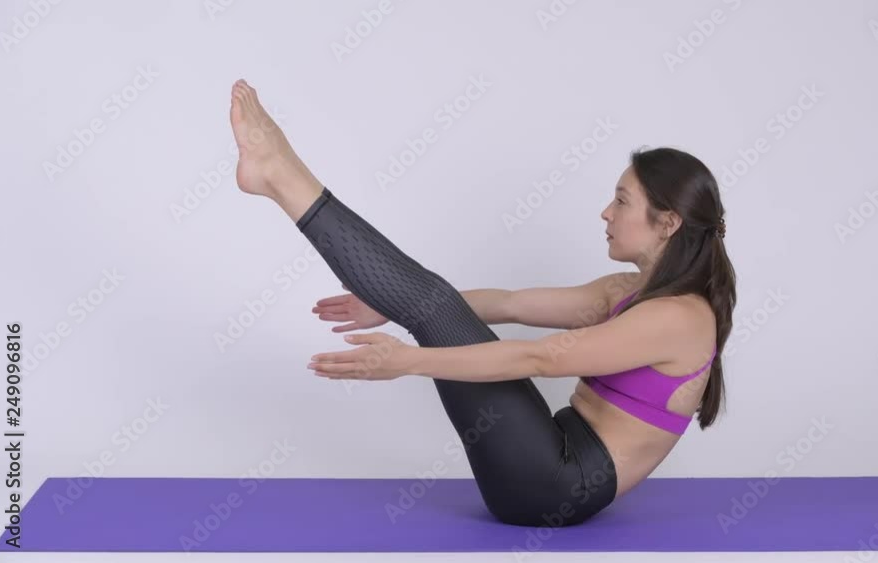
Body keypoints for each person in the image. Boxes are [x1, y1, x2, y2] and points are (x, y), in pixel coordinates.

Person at [228, 78, 736, 527]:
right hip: (548, 458)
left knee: (434, 301)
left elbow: (540, 357)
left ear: (668, 222)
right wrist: (394, 306)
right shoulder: (625, 292)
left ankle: (279, 175)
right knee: (436, 300)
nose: (606, 212)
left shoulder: (679, 318)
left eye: (622, 201)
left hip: (556, 486)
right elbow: (511, 303)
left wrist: (409, 362)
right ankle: (277, 175)